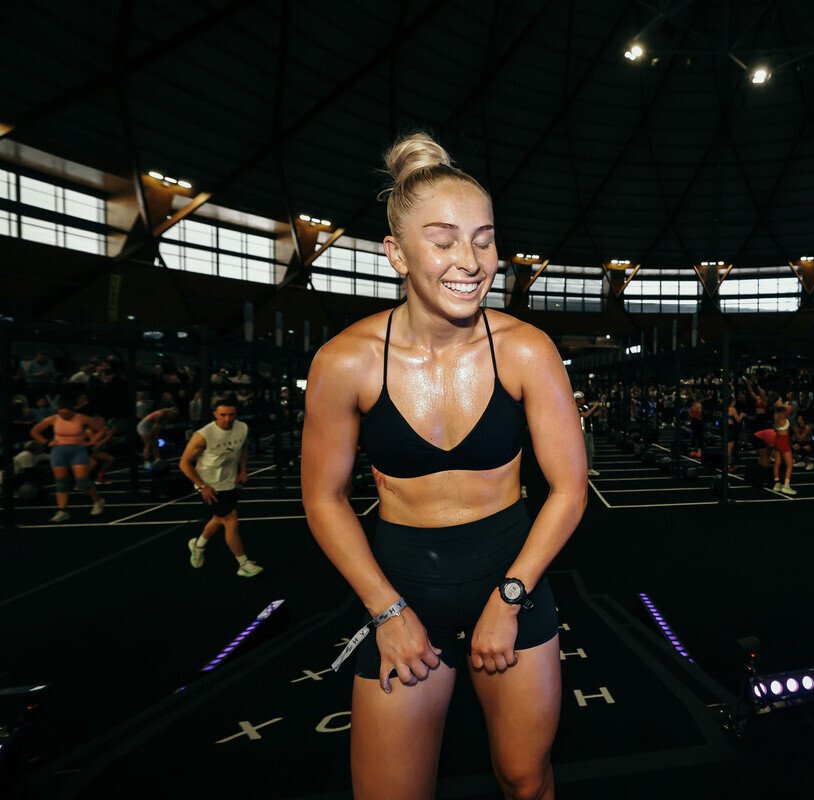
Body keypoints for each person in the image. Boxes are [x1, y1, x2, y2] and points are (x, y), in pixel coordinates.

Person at [301, 132, 585, 800]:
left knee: (526, 780)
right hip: (403, 589)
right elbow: (323, 499)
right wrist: (387, 610)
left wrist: (511, 598)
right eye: (444, 240)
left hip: (511, 575)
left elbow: (570, 489)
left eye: (484, 240)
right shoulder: (346, 362)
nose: (470, 262)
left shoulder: (526, 350)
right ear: (396, 254)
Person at [179, 400, 259, 576]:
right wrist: (202, 486)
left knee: (218, 518)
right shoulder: (203, 435)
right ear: (215, 414)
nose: (227, 419)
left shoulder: (242, 427)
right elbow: (184, 463)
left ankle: (198, 546)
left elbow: (243, 447)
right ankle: (243, 564)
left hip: (229, 482)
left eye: (231, 415)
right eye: (223, 415)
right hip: (210, 485)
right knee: (231, 520)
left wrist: (243, 470)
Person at [29, 403, 107, 522]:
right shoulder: (53, 419)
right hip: (59, 451)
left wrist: (92, 442)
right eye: (61, 414)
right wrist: (46, 442)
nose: (64, 416)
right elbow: (34, 431)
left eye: (67, 414)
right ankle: (62, 511)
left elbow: (101, 429)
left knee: (82, 481)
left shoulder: (82, 418)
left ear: (72, 411)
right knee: (61, 482)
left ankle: (98, 501)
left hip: (78, 450)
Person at [771, 396, 796, 495]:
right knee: (790, 464)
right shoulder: (783, 415)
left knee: (777, 463)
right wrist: (782, 404)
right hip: (783, 440)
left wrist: (778, 404)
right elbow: (791, 409)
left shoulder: (775, 416)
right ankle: (786, 486)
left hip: (777, 440)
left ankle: (777, 484)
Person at [576, 391, 601, 477]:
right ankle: (581, 470)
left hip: (589, 432)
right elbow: (585, 415)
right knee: (583, 452)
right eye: (582, 398)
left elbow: (590, 414)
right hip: (582, 433)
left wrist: (598, 412)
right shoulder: (576, 408)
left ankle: (590, 469)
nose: (584, 399)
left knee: (590, 451)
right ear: (577, 400)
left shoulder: (585, 407)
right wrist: (594, 407)